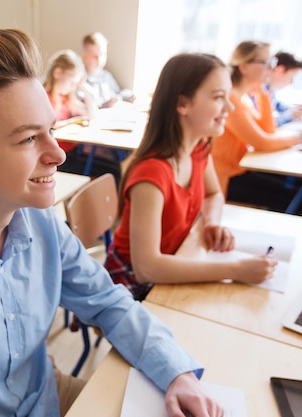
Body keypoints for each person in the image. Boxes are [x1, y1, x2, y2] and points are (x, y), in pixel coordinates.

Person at [0, 29, 223, 417]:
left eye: (50, 130)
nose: (57, 153)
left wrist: (178, 375)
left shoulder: (40, 222)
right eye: (27, 139)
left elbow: (108, 304)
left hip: (46, 397)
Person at [104, 53, 276, 301]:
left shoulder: (198, 147)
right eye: (219, 97)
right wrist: (235, 270)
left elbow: (214, 193)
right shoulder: (151, 175)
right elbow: (147, 267)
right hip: (131, 282)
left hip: (177, 258)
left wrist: (212, 222)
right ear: (183, 104)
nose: (229, 107)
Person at [211, 40, 302, 217]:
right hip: (226, 177)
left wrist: (263, 92)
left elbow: (268, 131)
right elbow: (261, 142)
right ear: (244, 67)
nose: (271, 69)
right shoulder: (231, 100)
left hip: (240, 168)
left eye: (272, 62)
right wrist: (299, 139)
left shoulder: (243, 97)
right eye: (266, 63)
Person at [43, 49, 122, 185]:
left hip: (73, 152)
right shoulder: (44, 97)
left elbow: (92, 114)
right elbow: (49, 127)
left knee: (115, 168)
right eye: (72, 82)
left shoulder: (65, 98)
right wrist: (73, 122)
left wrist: (82, 87)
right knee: (113, 172)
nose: (73, 87)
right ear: (57, 73)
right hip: (60, 158)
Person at [81, 32, 134, 108]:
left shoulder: (106, 76)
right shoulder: (80, 80)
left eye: (102, 54)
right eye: (95, 56)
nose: (99, 59)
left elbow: (118, 93)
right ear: (84, 56)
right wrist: (104, 105)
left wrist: (130, 96)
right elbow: (82, 107)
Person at [262, 51, 302, 127]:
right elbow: (266, 125)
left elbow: (276, 104)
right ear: (280, 70)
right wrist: (290, 115)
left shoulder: (270, 90)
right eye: (291, 76)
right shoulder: (259, 90)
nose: (291, 82)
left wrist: (296, 109)